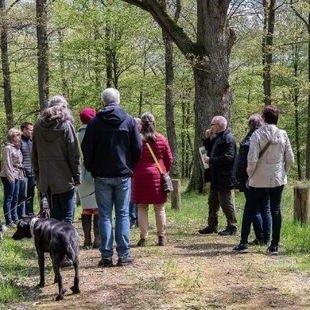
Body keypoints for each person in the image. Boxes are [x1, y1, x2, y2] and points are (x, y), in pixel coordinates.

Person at [81, 87, 142, 268]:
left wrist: (92, 167)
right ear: (118, 100)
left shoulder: (95, 122)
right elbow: (137, 147)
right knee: (123, 214)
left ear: (103, 102)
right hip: (122, 174)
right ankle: (123, 255)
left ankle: (106, 256)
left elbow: (86, 147)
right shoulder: (129, 120)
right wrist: (130, 165)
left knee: (105, 214)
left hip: (102, 175)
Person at [233, 105, 294, 255]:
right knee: (275, 210)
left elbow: (252, 159)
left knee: (250, 209)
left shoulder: (257, 135)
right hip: (277, 179)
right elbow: (290, 159)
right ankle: (274, 245)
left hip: (258, 179)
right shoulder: (283, 134)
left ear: (264, 118)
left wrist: (250, 174)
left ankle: (243, 242)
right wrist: (282, 172)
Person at [32, 95, 81, 224]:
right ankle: (67, 243)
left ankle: (55, 244)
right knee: (67, 217)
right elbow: (74, 154)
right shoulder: (66, 125)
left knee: (54, 219)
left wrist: (38, 175)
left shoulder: (37, 126)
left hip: (46, 180)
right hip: (65, 179)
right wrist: (77, 176)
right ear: (64, 108)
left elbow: (34, 154)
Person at [131, 112, 173, 247]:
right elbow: (169, 159)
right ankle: (161, 236)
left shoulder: (136, 139)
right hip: (157, 175)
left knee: (142, 207)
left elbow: (131, 158)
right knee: (159, 208)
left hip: (140, 176)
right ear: (154, 123)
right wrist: (164, 170)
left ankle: (143, 237)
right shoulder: (161, 138)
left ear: (141, 124)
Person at [235, 114, 271, 246]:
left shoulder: (248, 141)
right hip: (267, 177)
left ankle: (260, 237)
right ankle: (266, 238)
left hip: (250, 178)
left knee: (254, 208)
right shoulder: (268, 138)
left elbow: (242, 163)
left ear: (250, 125)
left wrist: (239, 177)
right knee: (265, 208)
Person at [198, 115, 238, 236]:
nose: (210, 127)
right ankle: (212, 225)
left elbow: (229, 157)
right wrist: (207, 138)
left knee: (226, 202)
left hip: (225, 176)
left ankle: (232, 226)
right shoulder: (218, 137)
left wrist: (212, 160)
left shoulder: (228, 138)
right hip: (215, 176)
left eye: (212, 124)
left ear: (219, 125)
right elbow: (209, 150)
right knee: (212, 202)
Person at [77, 107, 100, 248]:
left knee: (86, 208)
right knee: (97, 207)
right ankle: (98, 240)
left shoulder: (75, 134)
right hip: (97, 171)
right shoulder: (98, 133)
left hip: (81, 172)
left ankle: (86, 240)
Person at [0, 128, 24, 227]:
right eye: (18, 135)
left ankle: (15, 218)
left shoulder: (16, 147)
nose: (19, 137)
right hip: (8, 175)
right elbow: (7, 164)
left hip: (17, 174)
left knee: (15, 197)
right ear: (12, 136)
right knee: (9, 198)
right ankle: (9, 220)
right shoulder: (7, 148)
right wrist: (11, 178)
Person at [18, 122, 36, 217]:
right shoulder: (19, 141)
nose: (32, 131)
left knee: (30, 194)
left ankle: (30, 213)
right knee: (22, 195)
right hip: (23, 173)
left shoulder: (32, 141)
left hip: (33, 173)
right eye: (30, 129)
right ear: (24, 130)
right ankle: (21, 214)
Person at [129, 117, 142, 229]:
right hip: (131, 171)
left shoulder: (143, 138)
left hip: (140, 171)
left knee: (138, 197)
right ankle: (132, 219)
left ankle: (138, 219)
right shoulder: (129, 136)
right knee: (131, 197)